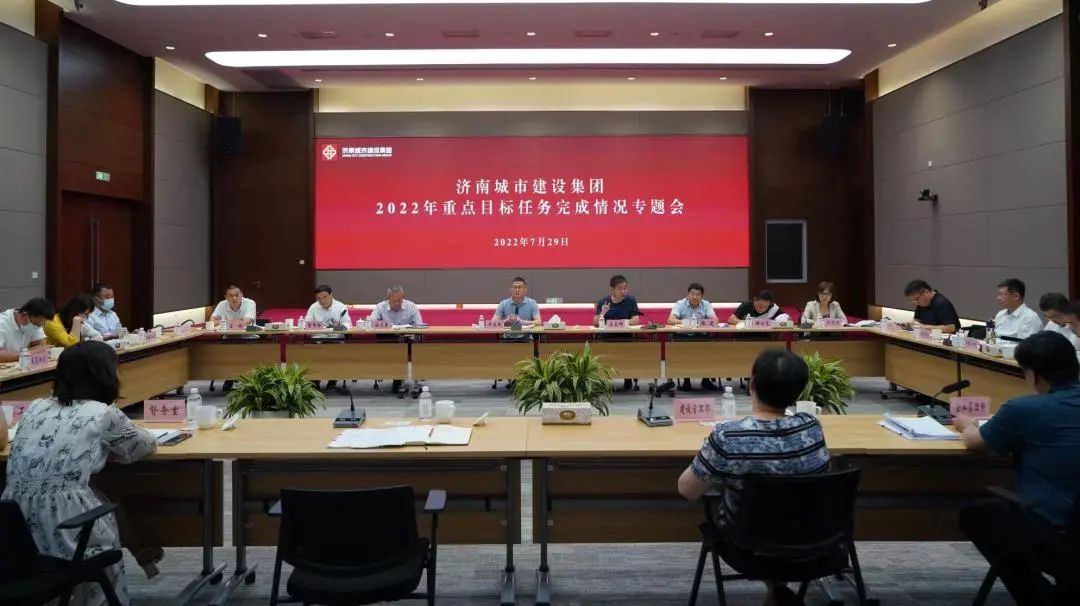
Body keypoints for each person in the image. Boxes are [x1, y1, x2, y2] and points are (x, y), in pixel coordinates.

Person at [1, 341, 160, 605]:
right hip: (67, 527)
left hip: (14, 528)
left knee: (102, 492)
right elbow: (144, 445)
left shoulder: (36, 407)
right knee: (105, 499)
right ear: (104, 374)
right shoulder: (103, 414)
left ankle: (142, 551)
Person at [677, 348, 830, 606]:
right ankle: (777, 590)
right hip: (812, 538)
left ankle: (776, 589)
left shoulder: (729, 436)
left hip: (747, 545)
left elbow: (687, 490)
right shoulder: (811, 427)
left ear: (752, 385)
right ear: (799, 392)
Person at [953, 331, 1080, 605]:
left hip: (1055, 531)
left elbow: (976, 442)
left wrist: (967, 424)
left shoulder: (1023, 408)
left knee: (978, 516)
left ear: (1032, 374)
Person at [667, 283, 720, 391]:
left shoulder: (706, 304)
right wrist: (687, 322)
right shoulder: (680, 304)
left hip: (701, 335)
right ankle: (686, 381)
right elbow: (670, 320)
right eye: (692, 294)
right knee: (685, 352)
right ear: (688, 294)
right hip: (683, 336)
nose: (695, 297)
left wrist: (699, 323)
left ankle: (706, 380)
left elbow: (715, 320)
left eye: (698, 294)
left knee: (710, 349)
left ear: (702, 296)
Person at [595, 275, 642, 390]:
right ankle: (604, 378)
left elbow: (636, 320)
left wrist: (622, 323)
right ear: (612, 289)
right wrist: (603, 313)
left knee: (627, 351)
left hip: (626, 337)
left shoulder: (631, 300)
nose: (623, 291)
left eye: (625, 288)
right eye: (620, 289)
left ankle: (628, 376)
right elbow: (595, 321)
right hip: (606, 338)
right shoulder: (604, 301)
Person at [0, 297, 53, 362]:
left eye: (41, 325)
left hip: (21, 366)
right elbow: (1, 356)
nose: (38, 327)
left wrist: (19, 355)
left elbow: (42, 346)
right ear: (24, 315)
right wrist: (29, 353)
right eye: (36, 325)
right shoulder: (2, 322)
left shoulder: (36, 321)